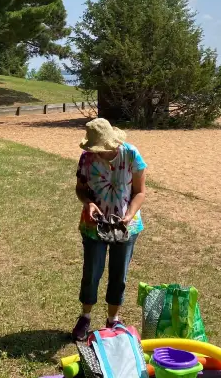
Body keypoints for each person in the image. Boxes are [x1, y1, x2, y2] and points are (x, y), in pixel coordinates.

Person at [71, 118, 146, 341]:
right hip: (93, 226)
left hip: (127, 227)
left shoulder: (132, 154)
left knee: (118, 275)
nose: (100, 153)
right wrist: (88, 203)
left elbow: (140, 192)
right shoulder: (86, 158)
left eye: (103, 149)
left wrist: (128, 216)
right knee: (91, 273)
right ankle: (85, 317)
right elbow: (80, 189)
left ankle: (113, 319)